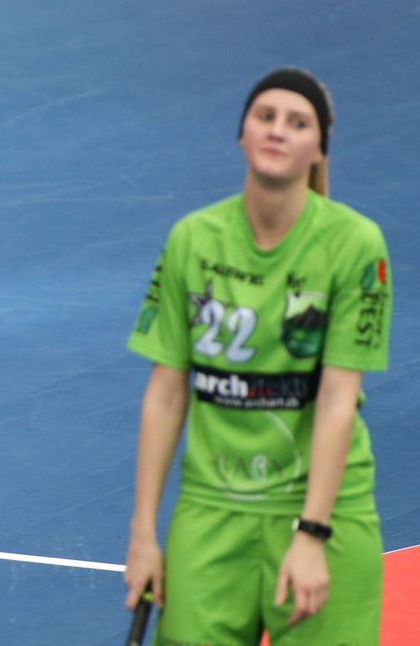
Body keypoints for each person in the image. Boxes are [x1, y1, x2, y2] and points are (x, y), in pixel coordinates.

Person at [122, 68, 391, 643]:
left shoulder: (355, 245)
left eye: (298, 123)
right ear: (241, 133)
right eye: (265, 116)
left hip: (323, 510)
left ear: (318, 149)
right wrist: (143, 535)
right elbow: (165, 393)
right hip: (211, 510)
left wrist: (312, 534)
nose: (277, 130)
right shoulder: (192, 239)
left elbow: (337, 400)